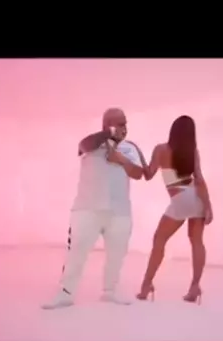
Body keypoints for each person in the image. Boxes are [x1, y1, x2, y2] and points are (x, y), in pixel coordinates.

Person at [42, 108, 146, 310]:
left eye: (125, 123)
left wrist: (122, 160)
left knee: (117, 254)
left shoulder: (129, 148)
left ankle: (110, 291)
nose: (124, 128)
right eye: (119, 124)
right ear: (106, 125)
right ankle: (66, 294)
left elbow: (138, 173)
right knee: (77, 252)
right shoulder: (91, 144)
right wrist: (109, 134)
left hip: (119, 211)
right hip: (87, 208)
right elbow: (84, 145)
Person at [136, 115, 213, 304]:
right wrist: (208, 206)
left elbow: (148, 174)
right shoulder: (192, 151)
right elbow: (199, 178)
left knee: (159, 239)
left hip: (180, 198)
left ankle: (146, 285)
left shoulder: (161, 149)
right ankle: (195, 287)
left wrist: (140, 156)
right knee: (196, 241)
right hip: (197, 196)